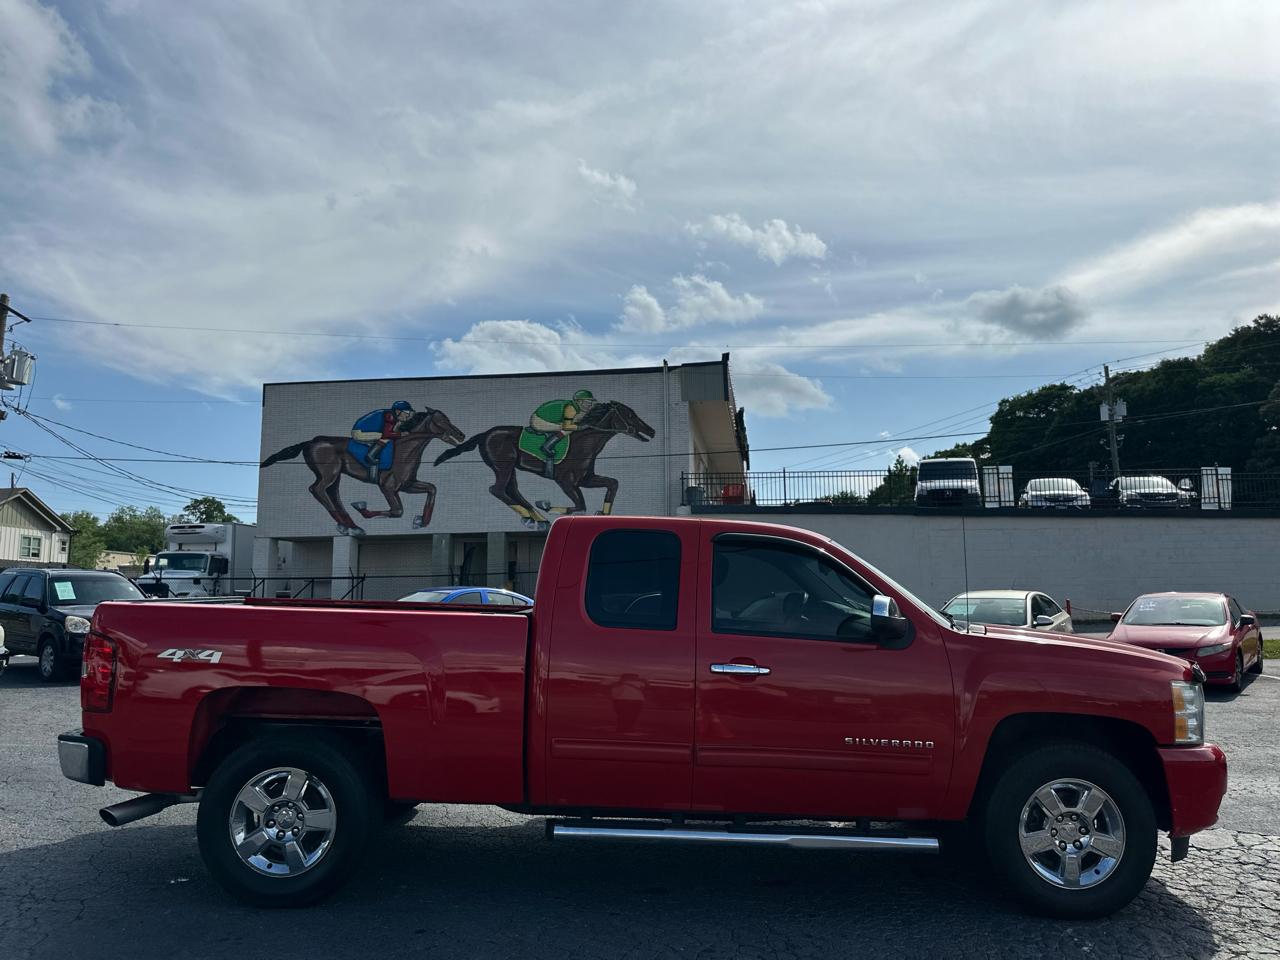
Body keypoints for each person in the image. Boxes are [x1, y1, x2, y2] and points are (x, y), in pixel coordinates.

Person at [528, 390, 597, 476]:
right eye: (587, 402)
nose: (590, 405)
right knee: (568, 429)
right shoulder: (571, 408)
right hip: (539, 420)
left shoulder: (580, 408)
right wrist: (580, 428)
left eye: (591, 402)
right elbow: (566, 426)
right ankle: (547, 446)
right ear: (579, 402)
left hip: (552, 420)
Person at [349, 400, 414, 483]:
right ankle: (370, 456)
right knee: (385, 438)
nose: (407, 415)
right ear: (398, 411)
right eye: (406, 413)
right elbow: (387, 434)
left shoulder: (394, 416)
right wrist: (400, 434)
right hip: (359, 432)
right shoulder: (389, 416)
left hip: (367, 431)